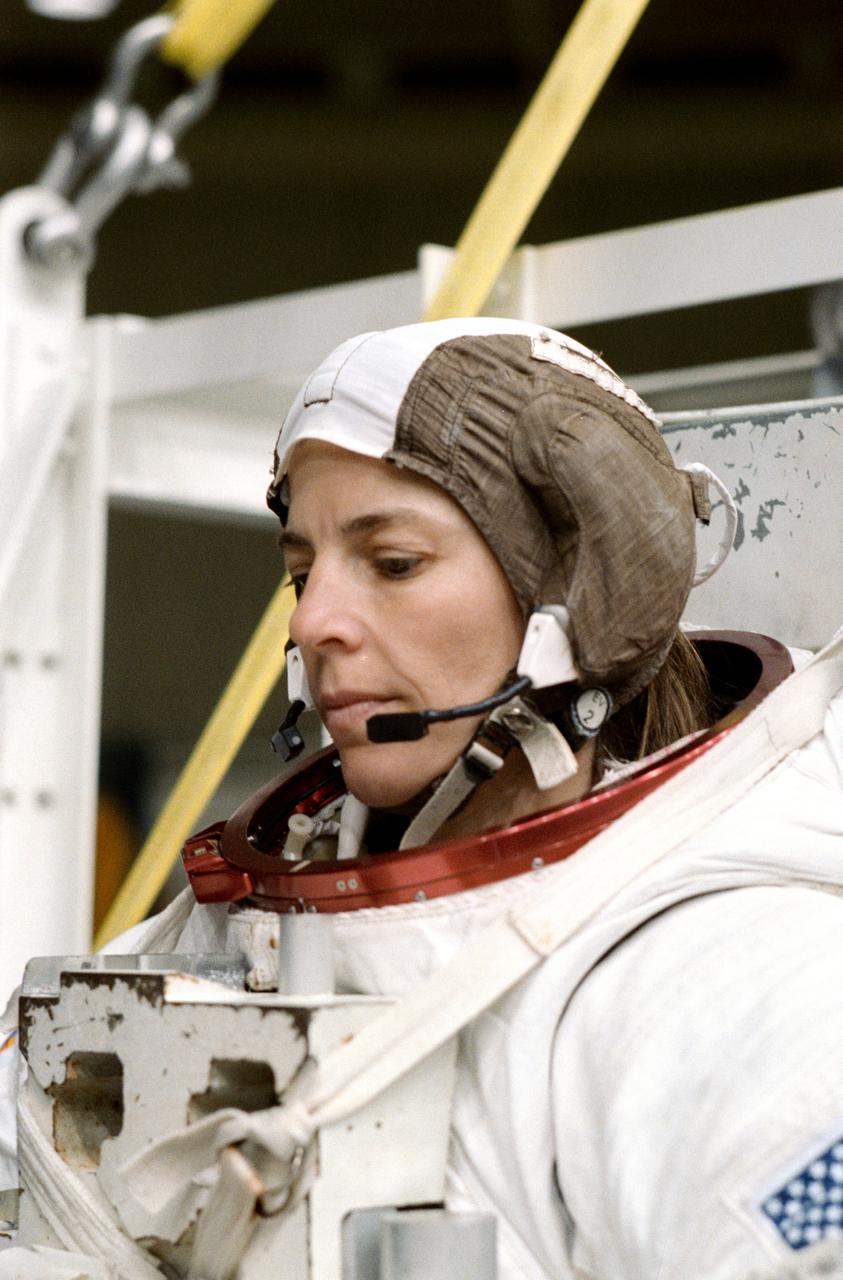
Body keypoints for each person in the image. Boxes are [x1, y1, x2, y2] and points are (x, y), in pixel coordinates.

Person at [3, 318, 843, 1280]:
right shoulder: (229, 924)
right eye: (301, 571)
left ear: (577, 595)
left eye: (392, 563)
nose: (313, 622)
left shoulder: (729, 984)